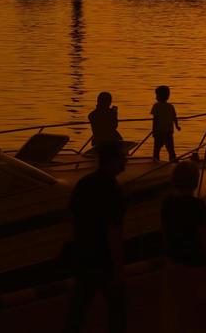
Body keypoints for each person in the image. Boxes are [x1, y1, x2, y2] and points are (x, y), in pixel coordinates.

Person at [64, 141, 129, 333]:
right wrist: (119, 269)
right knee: (117, 310)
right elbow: (113, 232)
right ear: (113, 160)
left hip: (83, 256)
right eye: (123, 157)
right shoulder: (113, 190)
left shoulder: (84, 183)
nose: (126, 160)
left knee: (78, 310)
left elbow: (72, 217)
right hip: (104, 261)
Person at [161, 161, 206, 332]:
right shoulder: (198, 206)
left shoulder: (167, 204)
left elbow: (165, 233)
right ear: (195, 181)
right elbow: (204, 238)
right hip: (196, 264)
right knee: (201, 310)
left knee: (179, 310)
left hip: (174, 262)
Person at [152, 85, 182, 162]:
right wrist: (177, 126)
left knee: (156, 149)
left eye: (156, 95)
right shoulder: (171, 106)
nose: (156, 97)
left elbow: (155, 120)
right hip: (168, 131)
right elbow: (174, 117)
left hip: (159, 131)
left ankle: (156, 161)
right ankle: (173, 161)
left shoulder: (156, 106)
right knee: (171, 149)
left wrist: (153, 130)